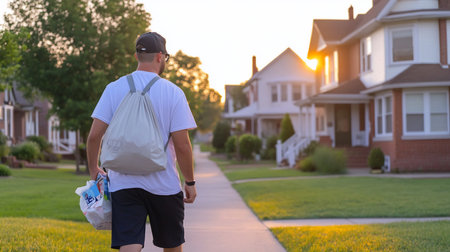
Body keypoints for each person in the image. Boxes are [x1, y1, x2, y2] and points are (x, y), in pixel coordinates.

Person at [87, 32, 197, 252]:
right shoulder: (173, 93)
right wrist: (190, 182)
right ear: (160, 57)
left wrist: (93, 170)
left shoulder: (113, 89)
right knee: (172, 244)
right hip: (164, 184)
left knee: (129, 244)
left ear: (137, 56)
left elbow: (93, 137)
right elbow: (183, 146)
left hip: (123, 183)